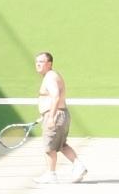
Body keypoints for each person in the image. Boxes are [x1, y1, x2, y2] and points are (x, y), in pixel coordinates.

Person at [34, 52, 87, 184]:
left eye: (41, 61)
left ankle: (51, 174)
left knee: (49, 148)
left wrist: (51, 117)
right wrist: (45, 115)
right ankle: (78, 166)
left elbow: (56, 96)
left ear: (49, 63)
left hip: (56, 115)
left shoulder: (50, 77)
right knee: (61, 145)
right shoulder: (51, 76)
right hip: (59, 114)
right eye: (37, 62)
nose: (38, 64)